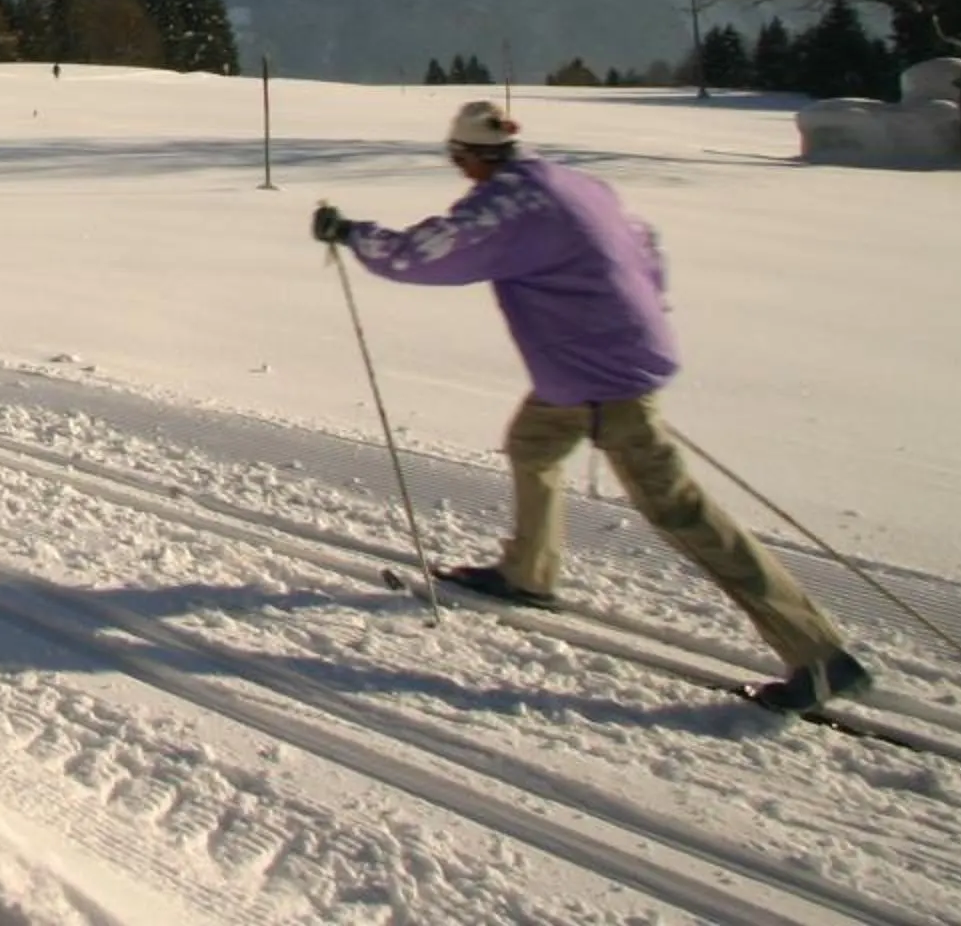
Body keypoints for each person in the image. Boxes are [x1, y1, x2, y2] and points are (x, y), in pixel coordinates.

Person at [310, 98, 872, 714]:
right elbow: (646, 246)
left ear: (472, 155)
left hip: (599, 375)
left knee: (680, 511)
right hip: (592, 369)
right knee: (533, 444)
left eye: (457, 157)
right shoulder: (574, 184)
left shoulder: (509, 205)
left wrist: (353, 233)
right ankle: (527, 572)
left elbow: (422, 254)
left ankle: (818, 655)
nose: (459, 169)